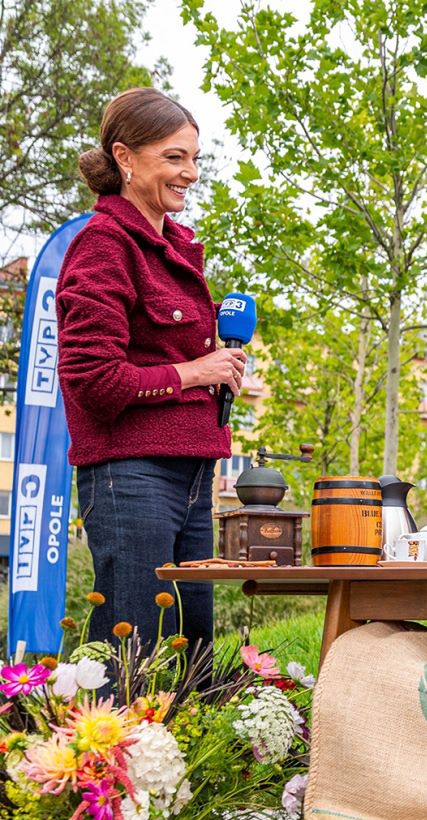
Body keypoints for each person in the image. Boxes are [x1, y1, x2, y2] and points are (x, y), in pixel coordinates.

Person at [57, 88, 247, 655]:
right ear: (125, 157)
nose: (189, 172)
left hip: (190, 476)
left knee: (194, 648)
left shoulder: (173, 246)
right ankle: (106, 745)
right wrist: (193, 371)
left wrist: (214, 372)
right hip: (130, 476)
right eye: (174, 157)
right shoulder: (104, 245)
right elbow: (94, 381)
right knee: (130, 646)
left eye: (194, 159)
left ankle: (192, 746)